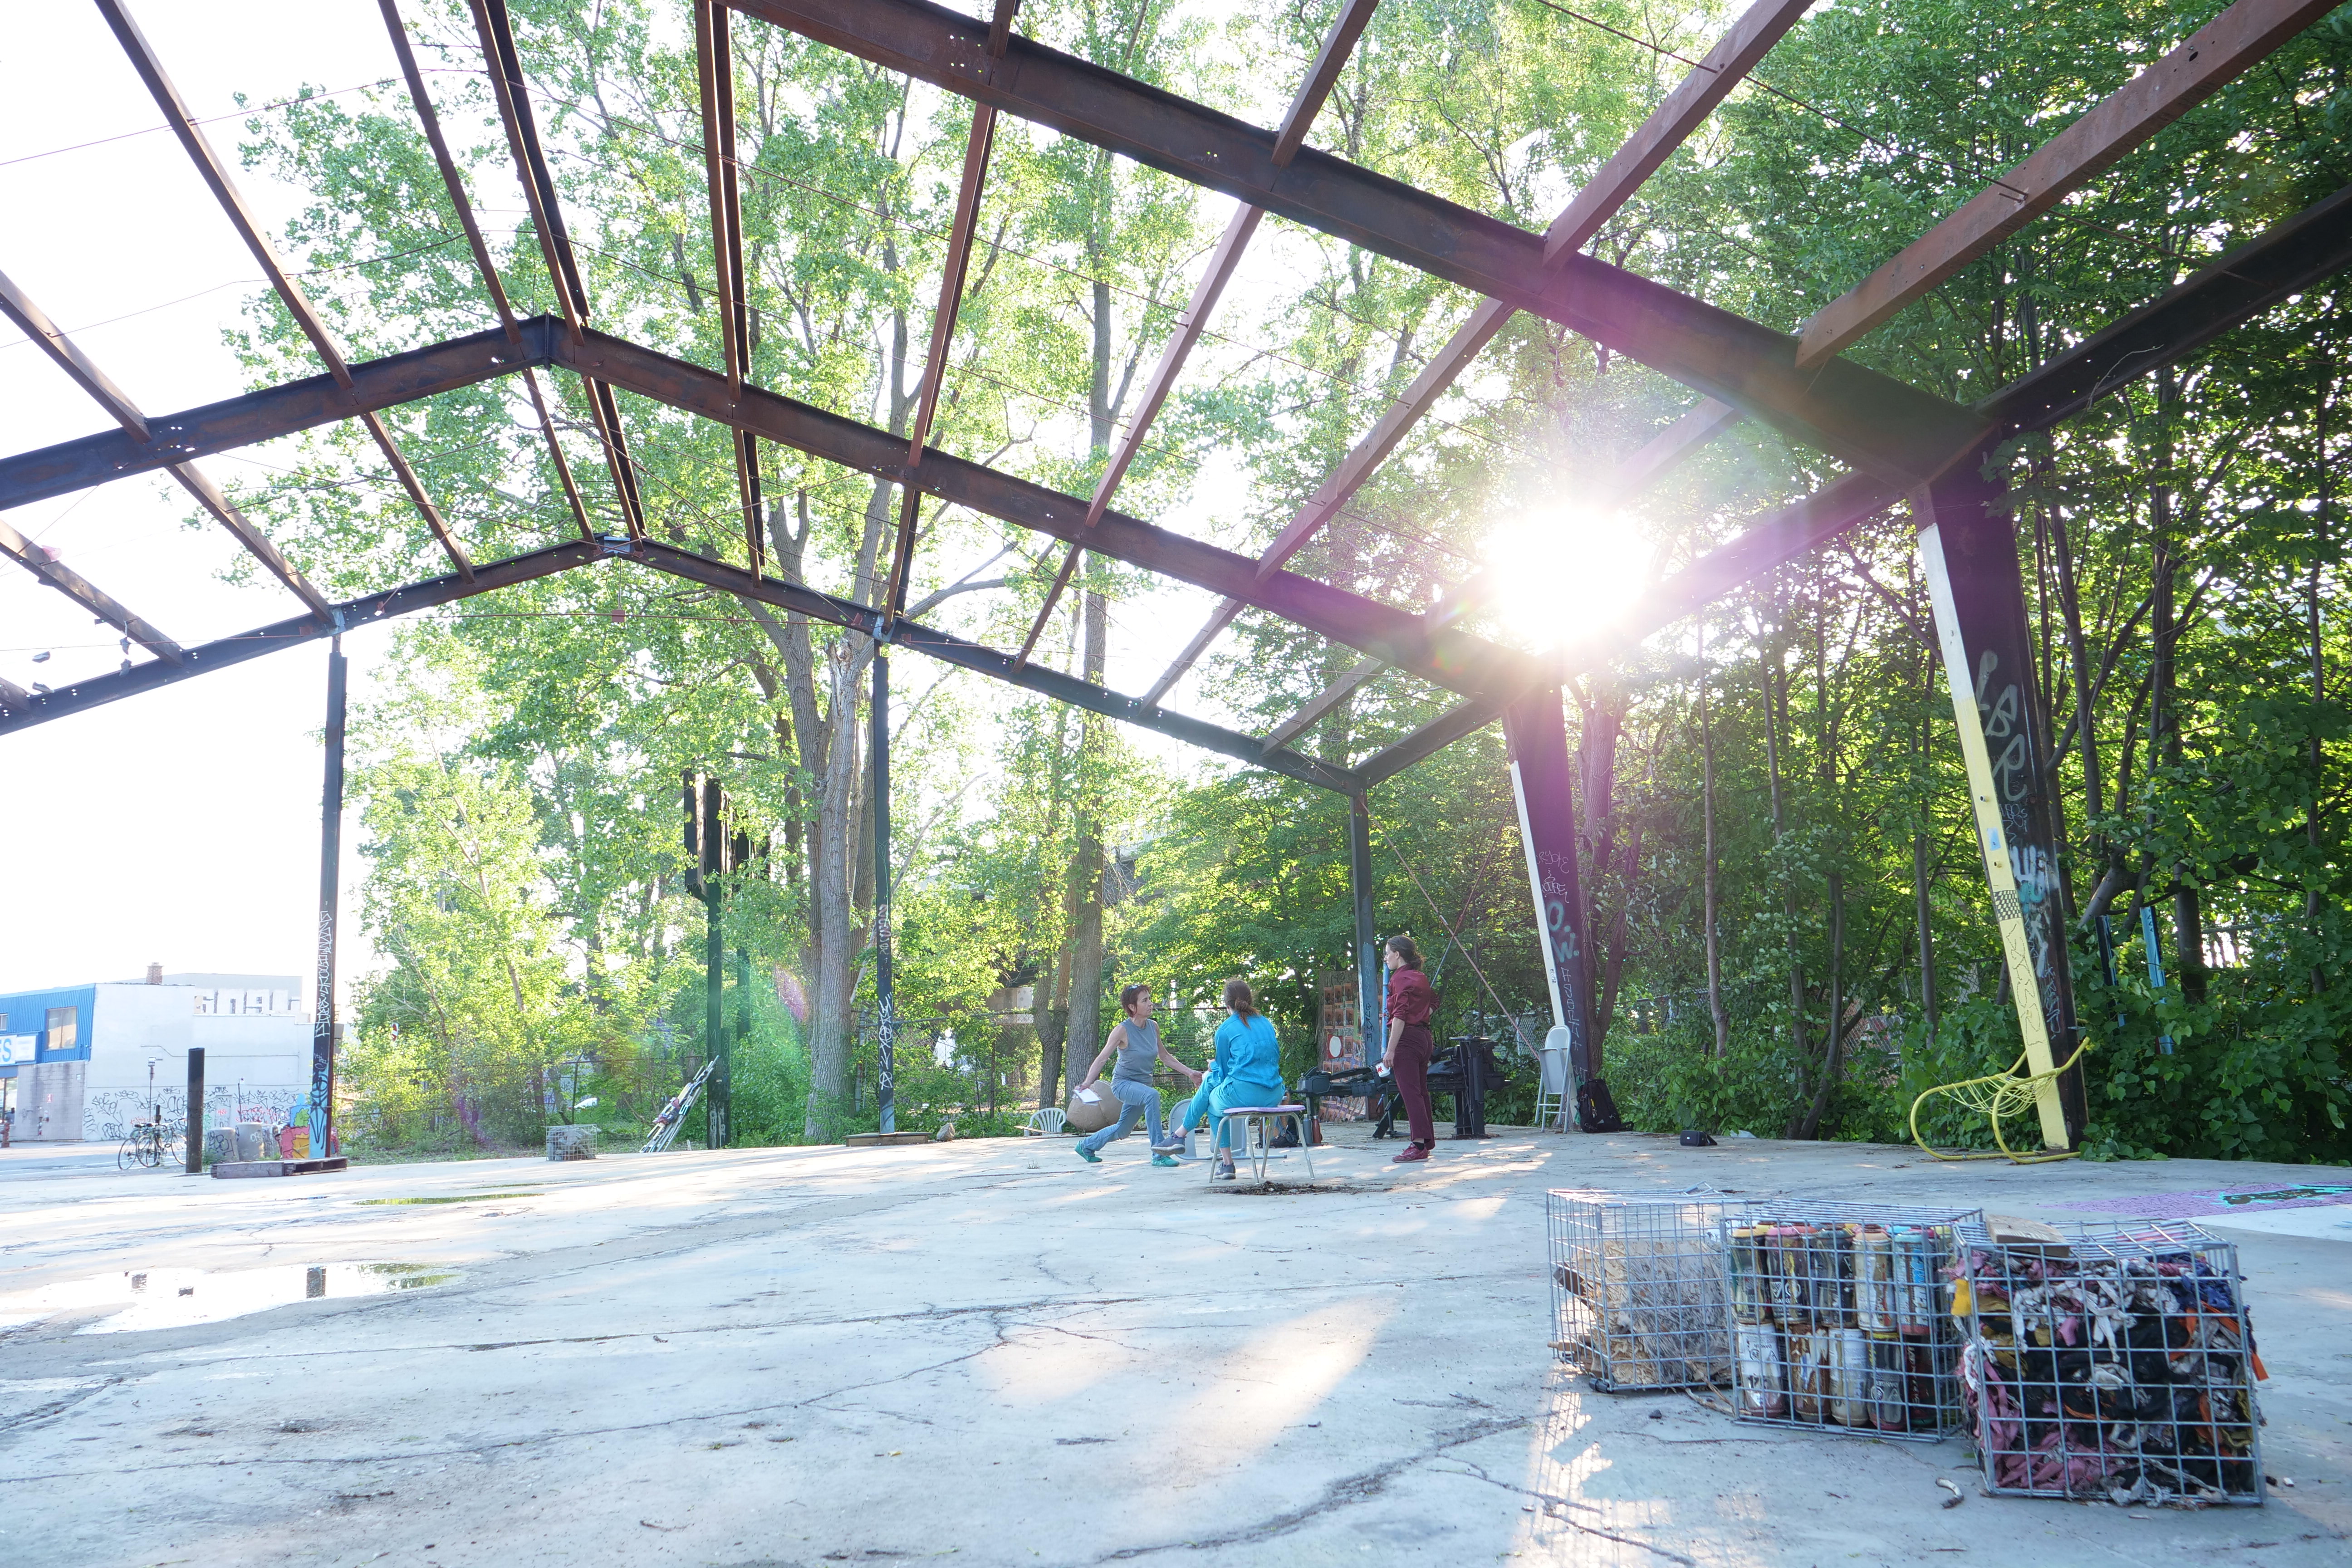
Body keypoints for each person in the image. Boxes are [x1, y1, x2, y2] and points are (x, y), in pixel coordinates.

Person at [1160, 977, 1285, 1181]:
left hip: (1246, 1094)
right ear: (1250, 999)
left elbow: (1224, 1075)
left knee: (1212, 1100)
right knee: (1212, 1082)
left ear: (1227, 1005)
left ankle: (1222, 1161)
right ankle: (1180, 1136)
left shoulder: (1225, 1030)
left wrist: (1212, 1067)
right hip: (1274, 1094)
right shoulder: (1266, 1023)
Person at [1073, 983, 1197, 1166]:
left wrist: (1191, 1073)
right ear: (1132, 1007)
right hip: (1123, 1084)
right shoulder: (1122, 1030)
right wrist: (1087, 1083)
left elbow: (1164, 1056)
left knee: (1123, 1130)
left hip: (1142, 1087)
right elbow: (1102, 1058)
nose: (1151, 1003)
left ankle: (1086, 1146)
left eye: (1150, 999)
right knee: (1152, 1096)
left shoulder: (1153, 1027)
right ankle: (1159, 1153)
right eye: (1145, 1000)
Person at [1382, 935, 1439, 1163]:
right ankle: (1425, 1143)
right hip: (1424, 1038)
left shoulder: (1399, 979)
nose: (1386, 958)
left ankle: (1418, 1145)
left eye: (1387, 953)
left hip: (1406, 1040)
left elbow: (1400, 1016)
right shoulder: (1420, 977)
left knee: (1410, 1093)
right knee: (1421, 1092)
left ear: (1397, 954)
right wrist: (1421, 1016)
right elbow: (1434, 1002)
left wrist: (1390, 1049)